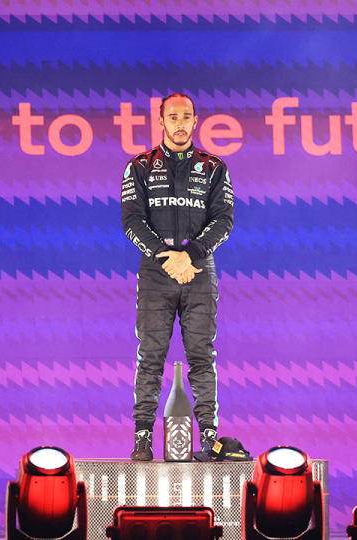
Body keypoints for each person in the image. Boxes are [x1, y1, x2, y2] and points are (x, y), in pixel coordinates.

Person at [121, 93, 234, 461]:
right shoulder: (138, 165)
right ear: (161, 121)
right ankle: (142, 437)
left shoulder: (215, 167)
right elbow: (132, 220)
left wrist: (191, 256)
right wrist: (166, 257)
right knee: (150, 356)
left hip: (200, 271)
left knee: (202, 355)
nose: (180, 123)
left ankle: (210, 438)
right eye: (173, 116)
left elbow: (224, 220)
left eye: (187, 116)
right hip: (157, 273)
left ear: (196, 121)